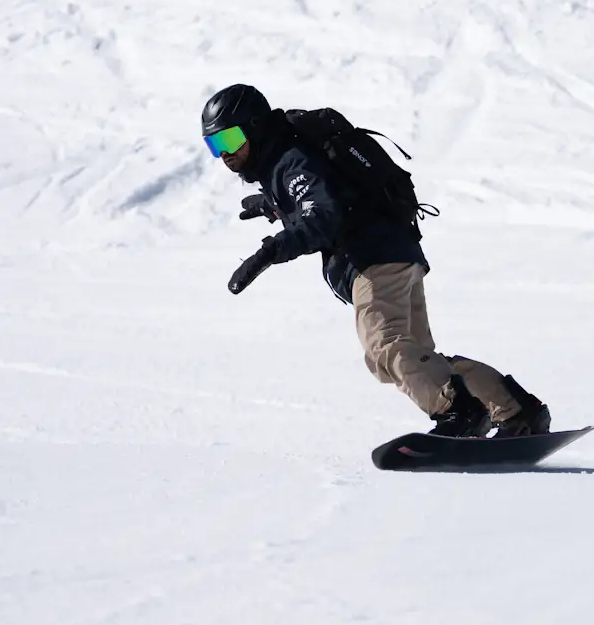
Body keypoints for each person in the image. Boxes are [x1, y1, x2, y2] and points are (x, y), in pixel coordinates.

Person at [201, 84, 550, 439]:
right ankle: (515, 410)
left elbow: (323, 215)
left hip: (372, 259)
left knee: (384, 346)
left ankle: (458, 413)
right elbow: (330, 194)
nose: (224, 154)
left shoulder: (290, 160)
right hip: (395, 252)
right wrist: (277, 207)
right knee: (416, 358)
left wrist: (272, 250)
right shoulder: (288, 157)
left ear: (256, 126)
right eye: (214, 145)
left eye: (229, 139)